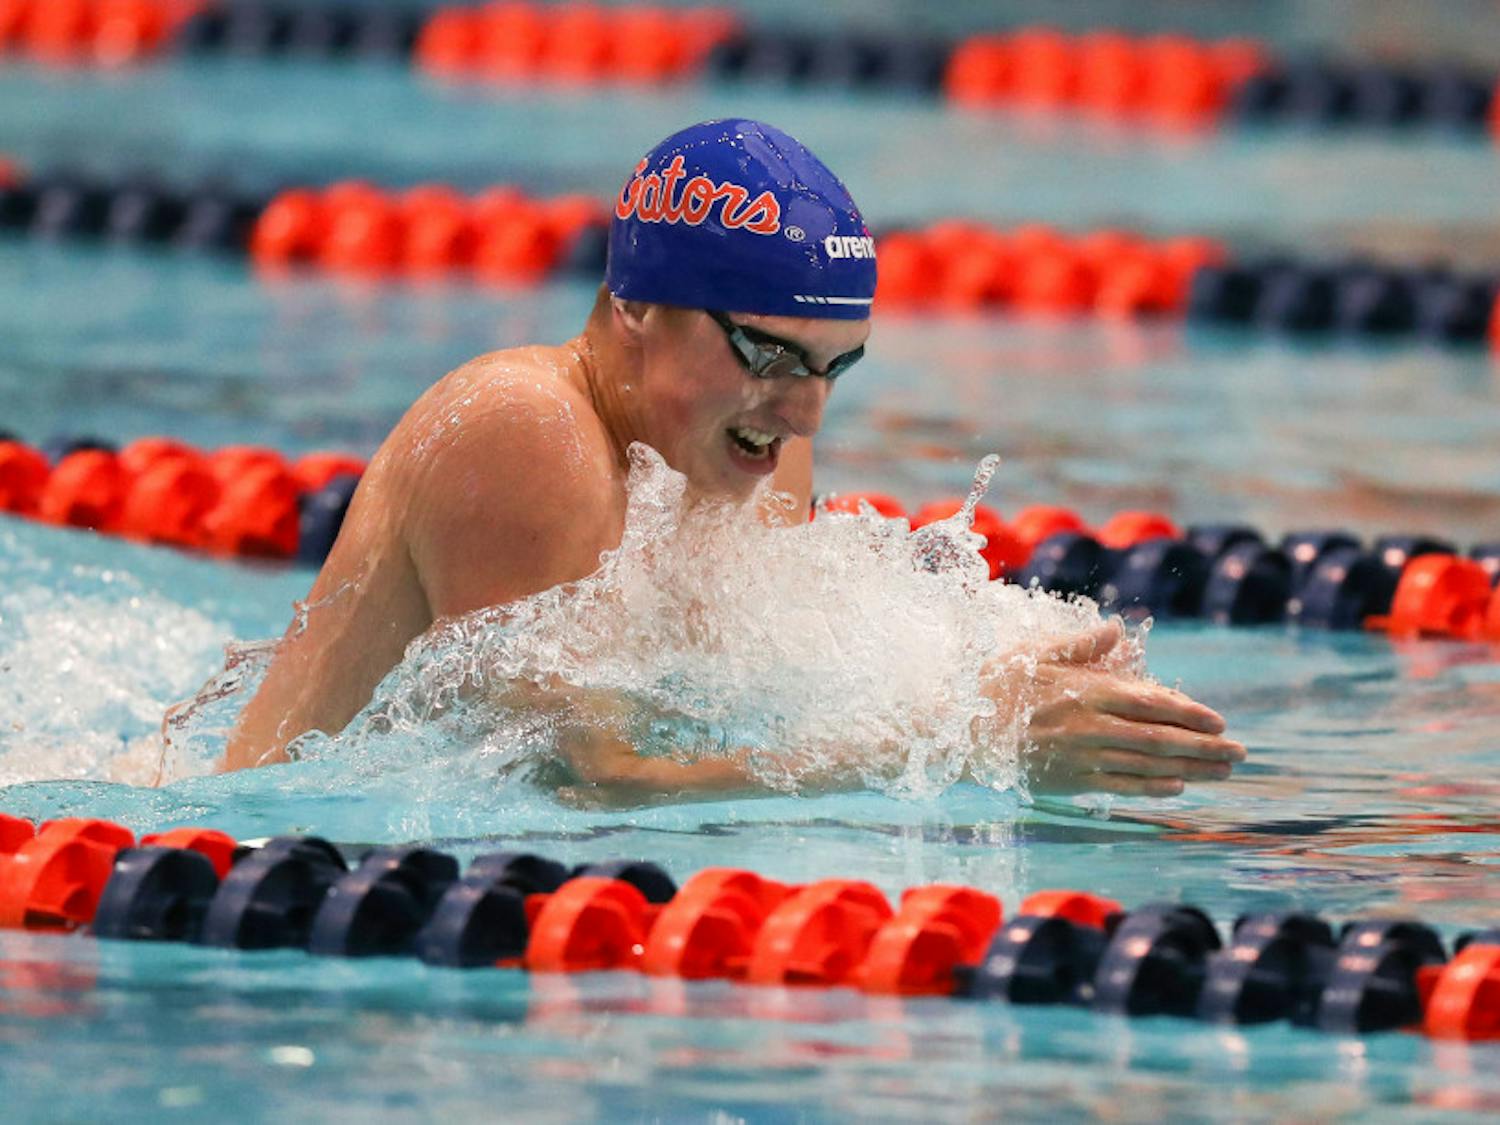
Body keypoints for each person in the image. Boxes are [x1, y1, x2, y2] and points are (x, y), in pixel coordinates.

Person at [223, 118, 1245, 798]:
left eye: (834, 367)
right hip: (245, 859)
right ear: (635, 307)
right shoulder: (522, 430)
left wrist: (995, 682)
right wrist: (968, 745)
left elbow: (735, 701)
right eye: (765, 353)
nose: (801, 413)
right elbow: (586, 780)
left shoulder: (741, 449)